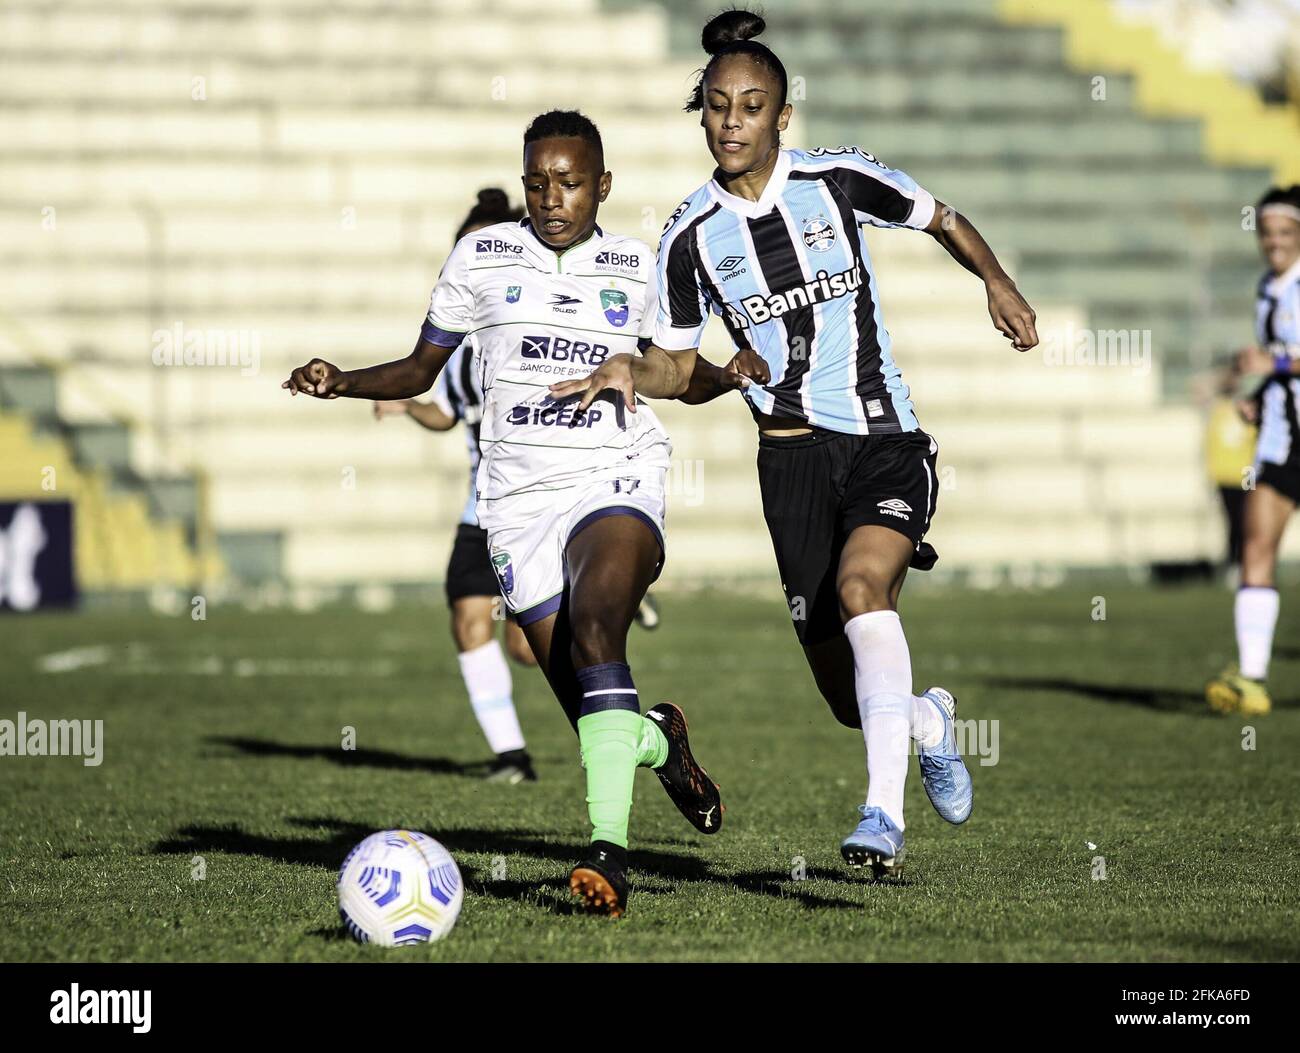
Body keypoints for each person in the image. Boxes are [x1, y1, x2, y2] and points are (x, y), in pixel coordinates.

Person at [554, 11, 1038, 877]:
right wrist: (634, 369)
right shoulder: (689, 236)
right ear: (701, 114)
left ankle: (880, 817)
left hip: (884, 437)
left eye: (751, 105)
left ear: (783, 116)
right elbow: (675, 365)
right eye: (716, 106)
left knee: (863, 589)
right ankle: (928, 721)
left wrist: (998, 283)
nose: (731, 120)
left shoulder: (839, 178)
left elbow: (942, 217)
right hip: (789, 463)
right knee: (845, 695)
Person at [284, 110, 723, 917]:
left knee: (598, 631)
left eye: (571, 182)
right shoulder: (481, 256)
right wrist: (341, 379)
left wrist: (727, 377)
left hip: (614, 475)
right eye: (537, 182)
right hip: (515, 503)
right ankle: (661, 740)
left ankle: (608, 858)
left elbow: (677, 369)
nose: (553, 198)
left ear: (604, 185)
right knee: (596, 709)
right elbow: (423, 368)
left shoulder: (638, 263)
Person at [375, 189, 541, 784]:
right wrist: (409, 409)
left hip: (540, 509)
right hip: (482, 511)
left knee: (528, 650)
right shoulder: (457, 345)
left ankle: (605, 588)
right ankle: (512, 758)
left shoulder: (537, 327)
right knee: (469, 620)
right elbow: (448, 412)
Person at [1205, 184, 1300, 716]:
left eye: (1285, 232)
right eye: (1267, 233)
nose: (1275, 242)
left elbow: (1282, 359)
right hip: (1284, 441)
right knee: (1256, 546)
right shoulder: (1269, 289)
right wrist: (1260, 401)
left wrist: (1273, 367)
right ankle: (1254, 679)